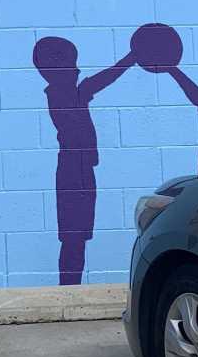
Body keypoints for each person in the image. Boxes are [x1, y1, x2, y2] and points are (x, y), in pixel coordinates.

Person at [32, 35, 136, 286]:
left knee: (77, 237)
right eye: (72, 65)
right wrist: (131, 58)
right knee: (73, 237)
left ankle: (71, 286)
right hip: (73, 169)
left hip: (81, 168)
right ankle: (69, 287)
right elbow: (102, 79)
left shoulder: (69, 91)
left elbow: (99, 81)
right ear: (53, 68)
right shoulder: (62, 93)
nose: (78, 71)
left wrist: (130, 58)